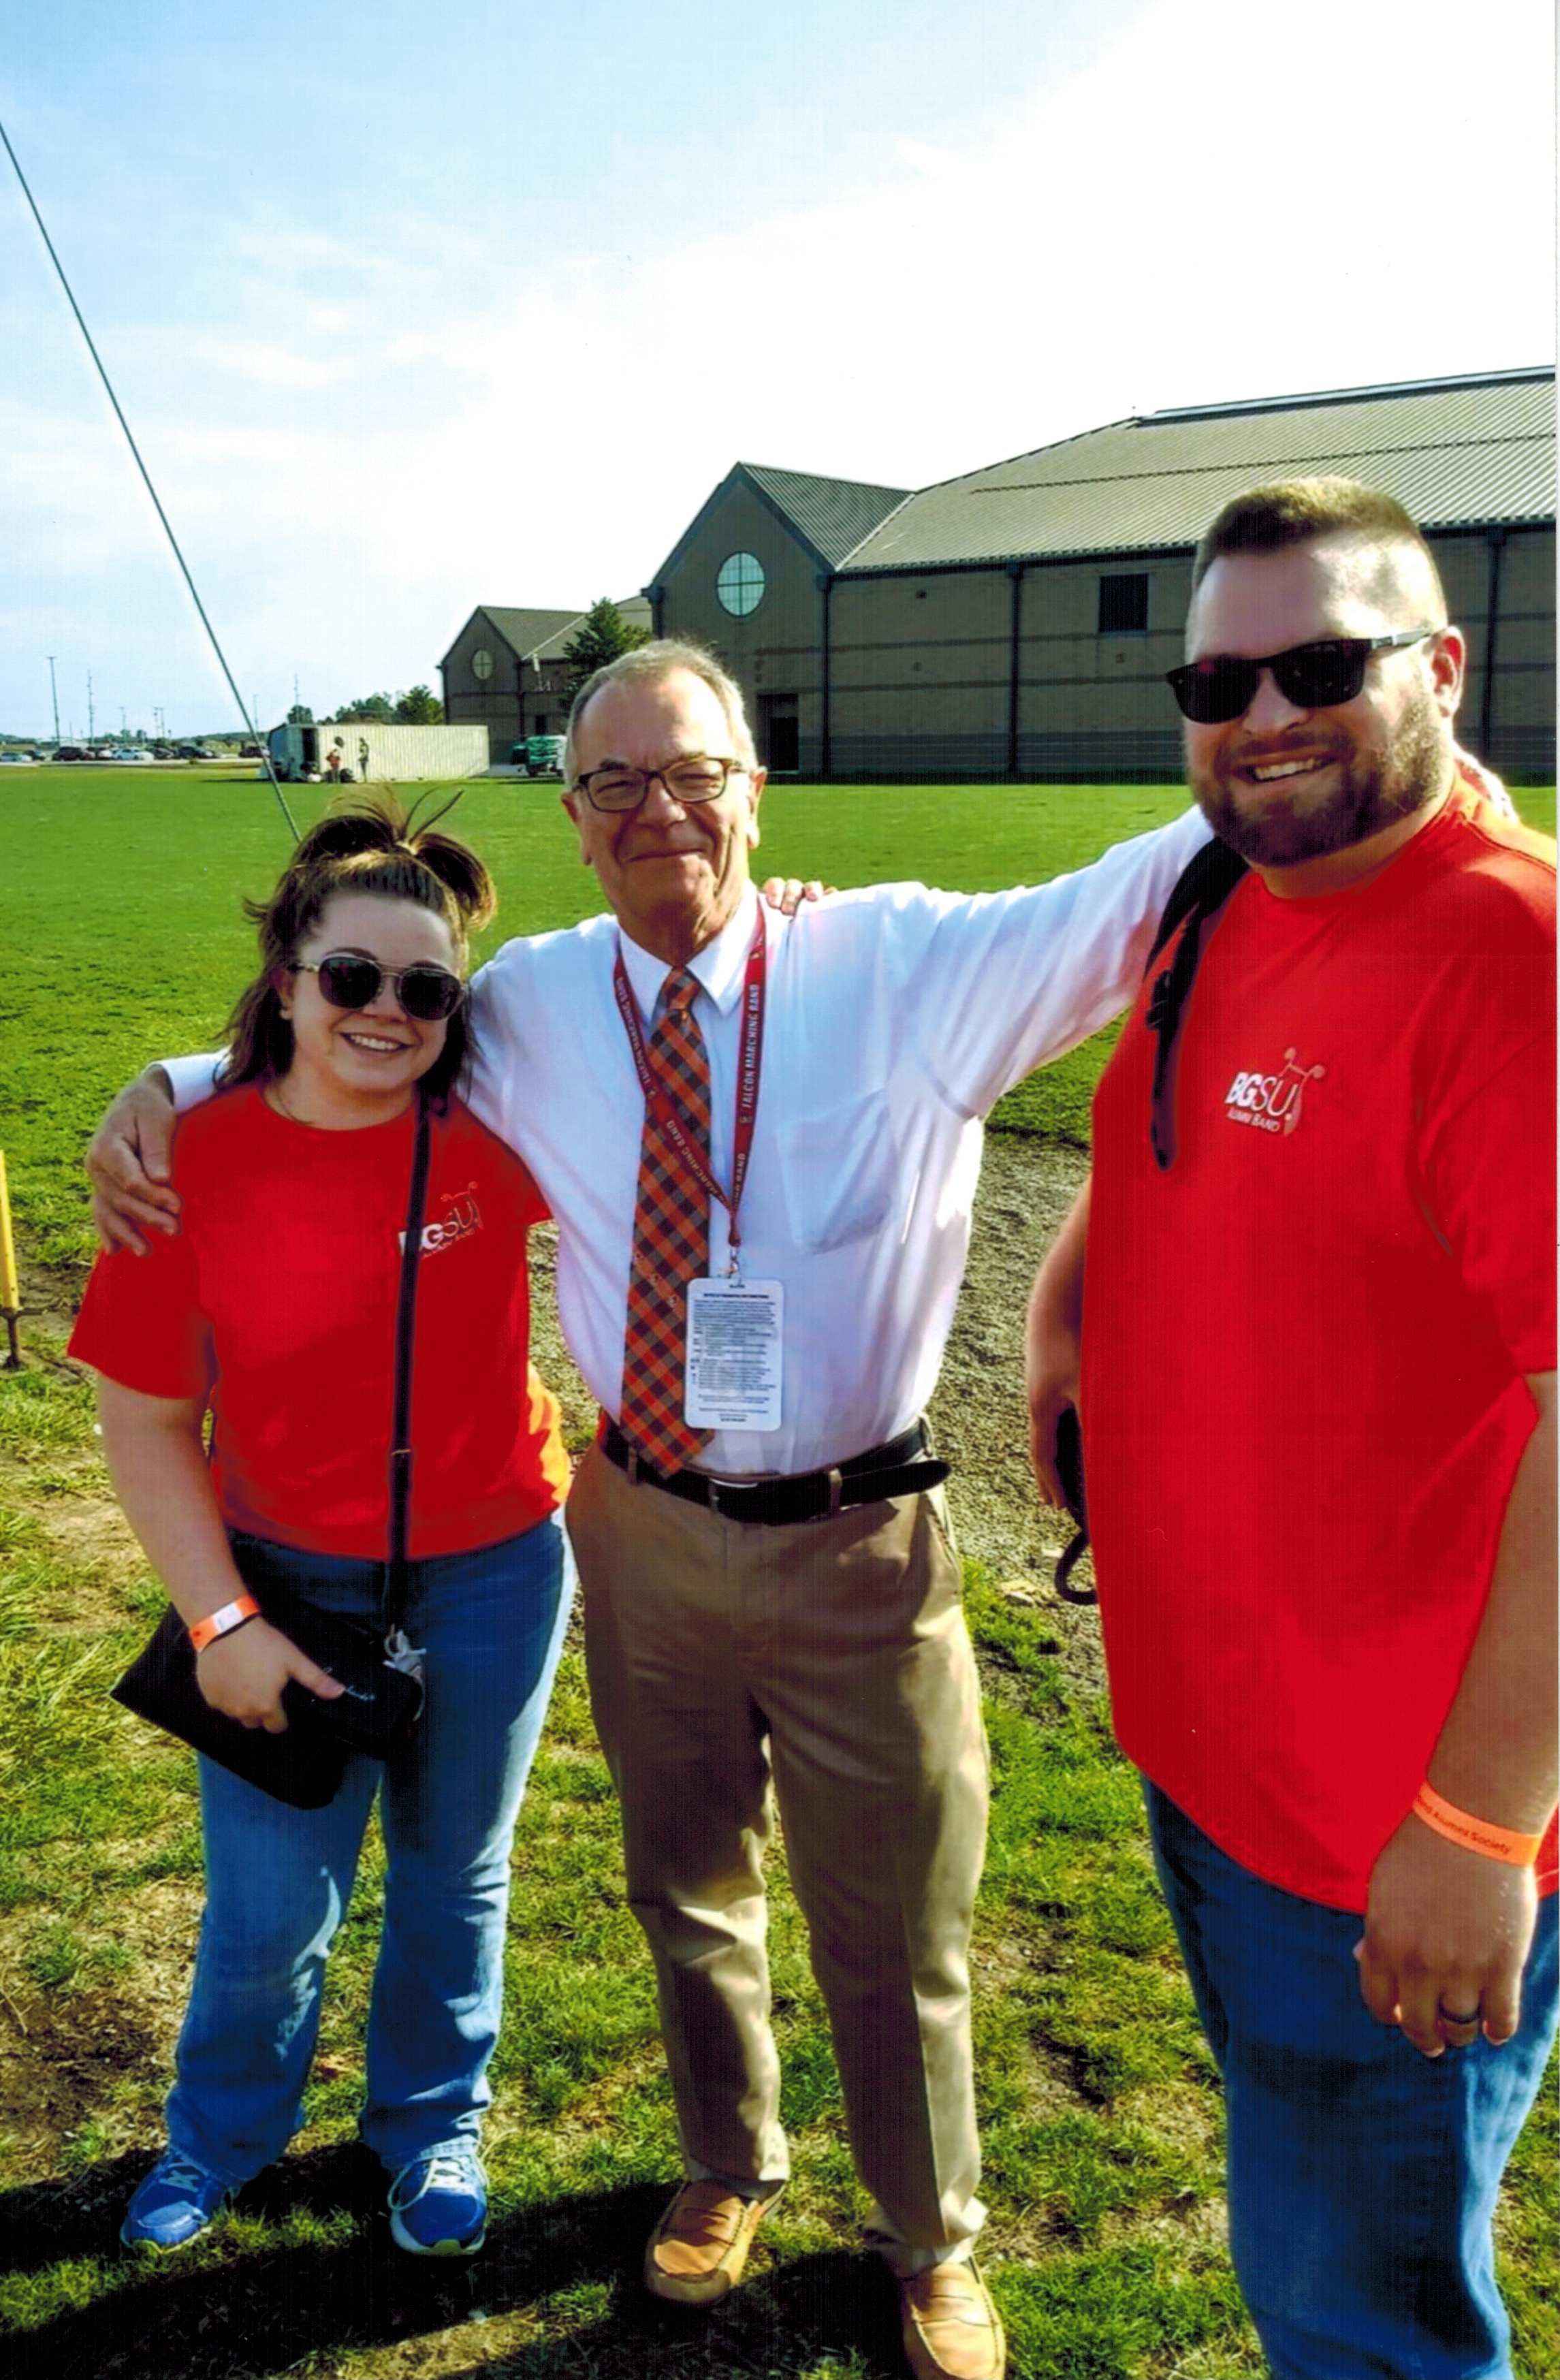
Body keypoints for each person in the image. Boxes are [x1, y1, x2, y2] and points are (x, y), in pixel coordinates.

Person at [89, 641, 1217, 2380]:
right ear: (575, 813)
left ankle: (929, 2239)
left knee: (895, 1916)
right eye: (615, 781)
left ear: (754, 788)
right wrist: (165, 1087)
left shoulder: (905, 959)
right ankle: (724, 2163)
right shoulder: (526, 1001)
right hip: (637, 1521)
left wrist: (1352, 738)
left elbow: (1147, 887)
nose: (657, 809)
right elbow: (344, 1035)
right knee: (686, 1883)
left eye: (692, 771)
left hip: (860, 1529)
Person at [1025, 480, 1556, 2380]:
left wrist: (1478, 1824)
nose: (1260, 716)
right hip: (1209, 1760)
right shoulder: (1225, 890)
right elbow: (1161, 1121)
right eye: (1217, 676)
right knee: (1305, 2262)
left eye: (1317, 665)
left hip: (1378, 1826)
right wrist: (1061, 1313)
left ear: (1439, 666)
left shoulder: (1508, 959)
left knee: (1360, 2325)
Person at [69, 797, 572, 2261]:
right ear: (287, 974)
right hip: (283, 1579)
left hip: (494, 1571)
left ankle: (431, 2119)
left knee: (455, 1867)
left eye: (426, 988)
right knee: (273, 1900)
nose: (385, 1010)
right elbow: (147, 1423)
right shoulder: (185, 1167)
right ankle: (218, 2133)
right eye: (349, 975)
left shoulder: (497, 1136)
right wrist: (223, 1623)